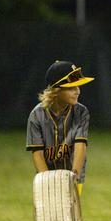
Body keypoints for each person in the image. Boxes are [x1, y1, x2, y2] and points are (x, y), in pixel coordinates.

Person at [26, 61, 94, 195]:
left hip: (74, 175)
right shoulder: (36, 115)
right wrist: (47, 183)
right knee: (50, 208)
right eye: (71, 87)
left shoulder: (81, 112)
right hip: (46, 175)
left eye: (78, 86)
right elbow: (37, 154)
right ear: (56, 90)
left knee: (70, 208)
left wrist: (74, 178)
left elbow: (80, 146)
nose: (77, 91)